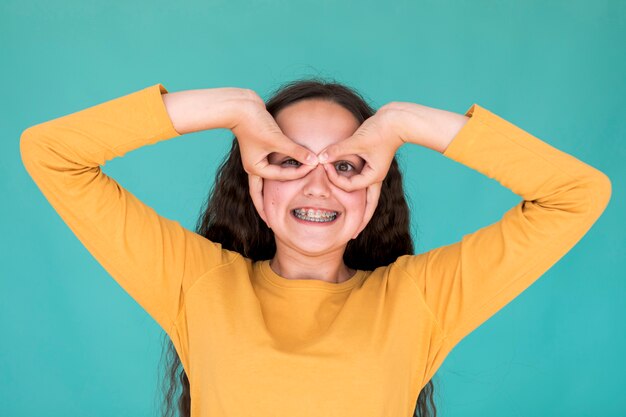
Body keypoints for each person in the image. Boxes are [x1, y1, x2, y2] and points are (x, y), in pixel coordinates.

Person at [20, 79, 612, 417]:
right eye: (288, 159)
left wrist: (404, 121)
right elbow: (51, 153)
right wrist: (232, 108)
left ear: (375, 190)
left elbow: (577, 194)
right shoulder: (197, 282)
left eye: (348, 165)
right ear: (253, 178)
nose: (317, 184)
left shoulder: (418, 299)